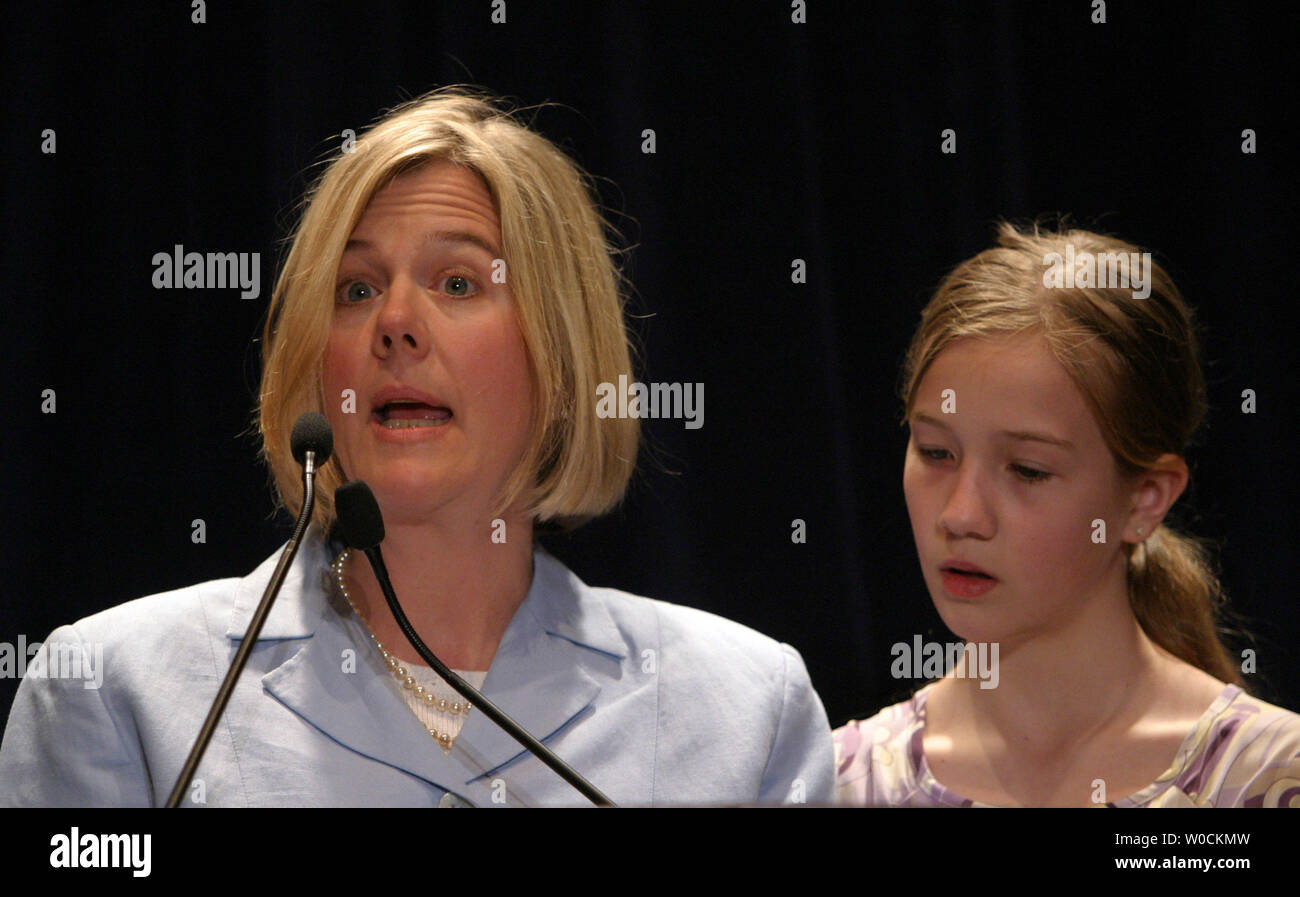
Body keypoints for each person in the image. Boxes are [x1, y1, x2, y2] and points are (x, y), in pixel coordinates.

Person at [0, 87, 832, 807]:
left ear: (562, 350)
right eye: (356, 288)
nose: (395, 321)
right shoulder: (115, 693)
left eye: (459, 282)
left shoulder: (743, 711)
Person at [834, 221, 1300, 807]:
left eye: (1028, 470)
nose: (960, 515)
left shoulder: (1270, 781)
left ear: (1145, 498)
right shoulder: (842, 783)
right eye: (935, 452)